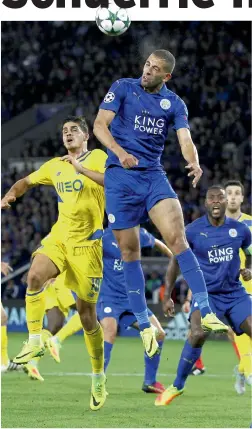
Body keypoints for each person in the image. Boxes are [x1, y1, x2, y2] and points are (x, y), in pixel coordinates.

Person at [93, 49, 228, 359]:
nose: (147, 71)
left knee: (178, 239)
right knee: (129, 252)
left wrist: (193, 161)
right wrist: (119, 152)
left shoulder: (174, 104)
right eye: (146, 65)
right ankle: (144, 324)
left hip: (152, 176)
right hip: (119, 177)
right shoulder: (123, 87)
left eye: (155, 69)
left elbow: (184, 138)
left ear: (167, 76)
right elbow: (100, 125)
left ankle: (206, 309)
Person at [1, 116, 108, 410]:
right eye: (64, 131)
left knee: (87, 317)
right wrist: (11, 194)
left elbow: (112, 181)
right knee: (34, 276)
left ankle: (98, 376)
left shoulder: (98, 157)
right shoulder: (54, 165)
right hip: (60, 239)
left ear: (86, 135)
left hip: (89, 248)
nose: (68, 134)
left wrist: (80, 168)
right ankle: (35, 340)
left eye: (74, 130)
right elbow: (26, 181)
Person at [156, 185, 252, 406]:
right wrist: (168, 294)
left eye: (221, 198)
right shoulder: (192, 231)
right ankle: (178, 385)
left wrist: (248, 268)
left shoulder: (240, 230)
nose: (217, 201)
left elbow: (249, 252)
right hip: (207, 295)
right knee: (198, 333)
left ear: (226, 202)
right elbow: (175, 262)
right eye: (212, 198)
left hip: (235, 294)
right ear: (206, 203)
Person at [48, 227, 172, 394]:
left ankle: (150, 382)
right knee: (110, 330)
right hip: (108, 296)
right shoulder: (102, 237)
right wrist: (57, 272)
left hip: (132, 299)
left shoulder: (139, 234)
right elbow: (76, 251)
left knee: (159, 334)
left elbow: (158, 244)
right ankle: (98, 379)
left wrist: (176, 259)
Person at [183, 180, 252, 391]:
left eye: (236, 193)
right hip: (219, 292)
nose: (231, 197)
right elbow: (197, 265)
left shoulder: (248, 225)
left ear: (241, 198)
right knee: (233, 334)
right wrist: (189, 296)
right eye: (228, 193)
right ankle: (246, 370)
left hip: (245, 288)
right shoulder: (205, 227)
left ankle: (244, 371)